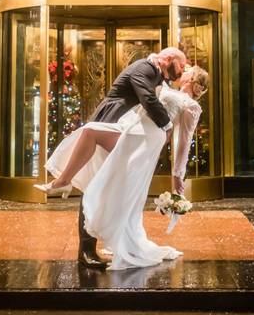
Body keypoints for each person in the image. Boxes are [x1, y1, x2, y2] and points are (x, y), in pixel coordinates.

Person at [39, 59, 207, 271]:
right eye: (183, 67)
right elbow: (148, 89)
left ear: (192, 80)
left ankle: (65, 183)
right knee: (94, 144)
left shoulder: (192, 106)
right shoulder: (162, 83)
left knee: (94, 139)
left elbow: (184, 143)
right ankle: (66, 183)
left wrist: (177, 177)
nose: (182, 70)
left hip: (146, 138)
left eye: (186, 70)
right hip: (132, 129)